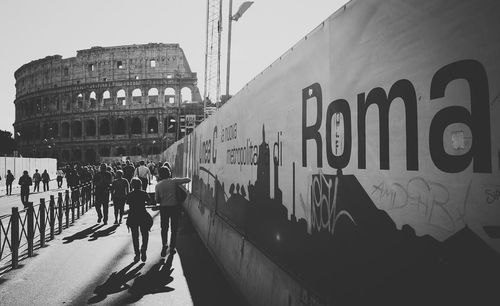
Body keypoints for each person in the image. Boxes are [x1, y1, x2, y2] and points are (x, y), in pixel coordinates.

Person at [155, 166, 191, 257]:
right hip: (174, 207)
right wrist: (176, 181)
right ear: (169, 173)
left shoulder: (158, 185)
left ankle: (164, 245)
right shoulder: (174, 181)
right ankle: (172, 247)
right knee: (174, 228)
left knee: (164, 228)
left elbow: (157, 200)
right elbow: (188, 180)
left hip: (164, 208)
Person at [127, 178, 153, 262]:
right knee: (145, 234)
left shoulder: (130, 194)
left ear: (132, 185)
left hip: (133, 216)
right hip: (143, 215)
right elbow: (149, 202)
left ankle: (137, 254)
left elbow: (127, 202)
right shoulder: (144, 193)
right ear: (140, 185)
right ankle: (144, 248)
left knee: (135, 236)